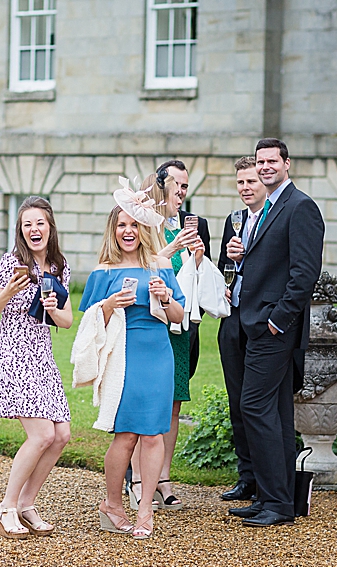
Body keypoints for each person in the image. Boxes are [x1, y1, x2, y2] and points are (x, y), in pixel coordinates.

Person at [225, 138, 324, 527]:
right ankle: (278, 498)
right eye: (261, 161)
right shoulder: (266, 208)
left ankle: (277, 505)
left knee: (254, 406)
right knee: (278, 413)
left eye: (272, 161)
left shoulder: (300, 207)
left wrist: (277, 319)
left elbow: (304, 274)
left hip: (274, 328)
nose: (265, 167)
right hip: (255, 323)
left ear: (287, 164)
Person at [79, 186, 185, 540]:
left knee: (154, 435)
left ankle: (144, 511)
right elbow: (88, 322)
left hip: (158, 354)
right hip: (123, 357)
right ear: (113, 230)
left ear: (144, 229)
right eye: (121, 225)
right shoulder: (104, 271)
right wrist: (110, 304)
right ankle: (112, 504)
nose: (128, 231)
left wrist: (165, 296)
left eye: (134, 225)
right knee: (125, 436)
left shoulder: (160, 264)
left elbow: (179, 315)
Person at [0, 197, 73, 539]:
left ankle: (27, 504)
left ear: (50, 227)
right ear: (21, 230)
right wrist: (8, 292)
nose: (34, 230)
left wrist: (52, 306)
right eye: (27, 224)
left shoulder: (60, 266)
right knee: (42, 434)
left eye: (40, 223)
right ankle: (6, 506)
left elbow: (67, 319)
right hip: (13, 354)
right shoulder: (11, 263)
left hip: (42, 357)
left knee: (61, 436)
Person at [127, 171, 204, 511]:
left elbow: (190, 280)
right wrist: (171, 249)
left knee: (173, 403)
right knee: (143, 403)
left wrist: (198, 258)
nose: (182, 193)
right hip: (151, 326)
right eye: (177, 186)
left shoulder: (184, 226)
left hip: (179, 323)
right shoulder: (146, 226)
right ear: (159, 188)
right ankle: (138, 480)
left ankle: (163, 477)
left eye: (186, 187)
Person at [217, 157, 266, 502]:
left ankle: (269, 478)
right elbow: (223, 267)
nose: (245, 188)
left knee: (259, 403)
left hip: (262, 319)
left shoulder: (276, 217)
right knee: (237, 402)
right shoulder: (234, 220)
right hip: (232, 317)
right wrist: (229, 258)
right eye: (240, 183)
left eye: (251, 181)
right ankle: (246, 475)